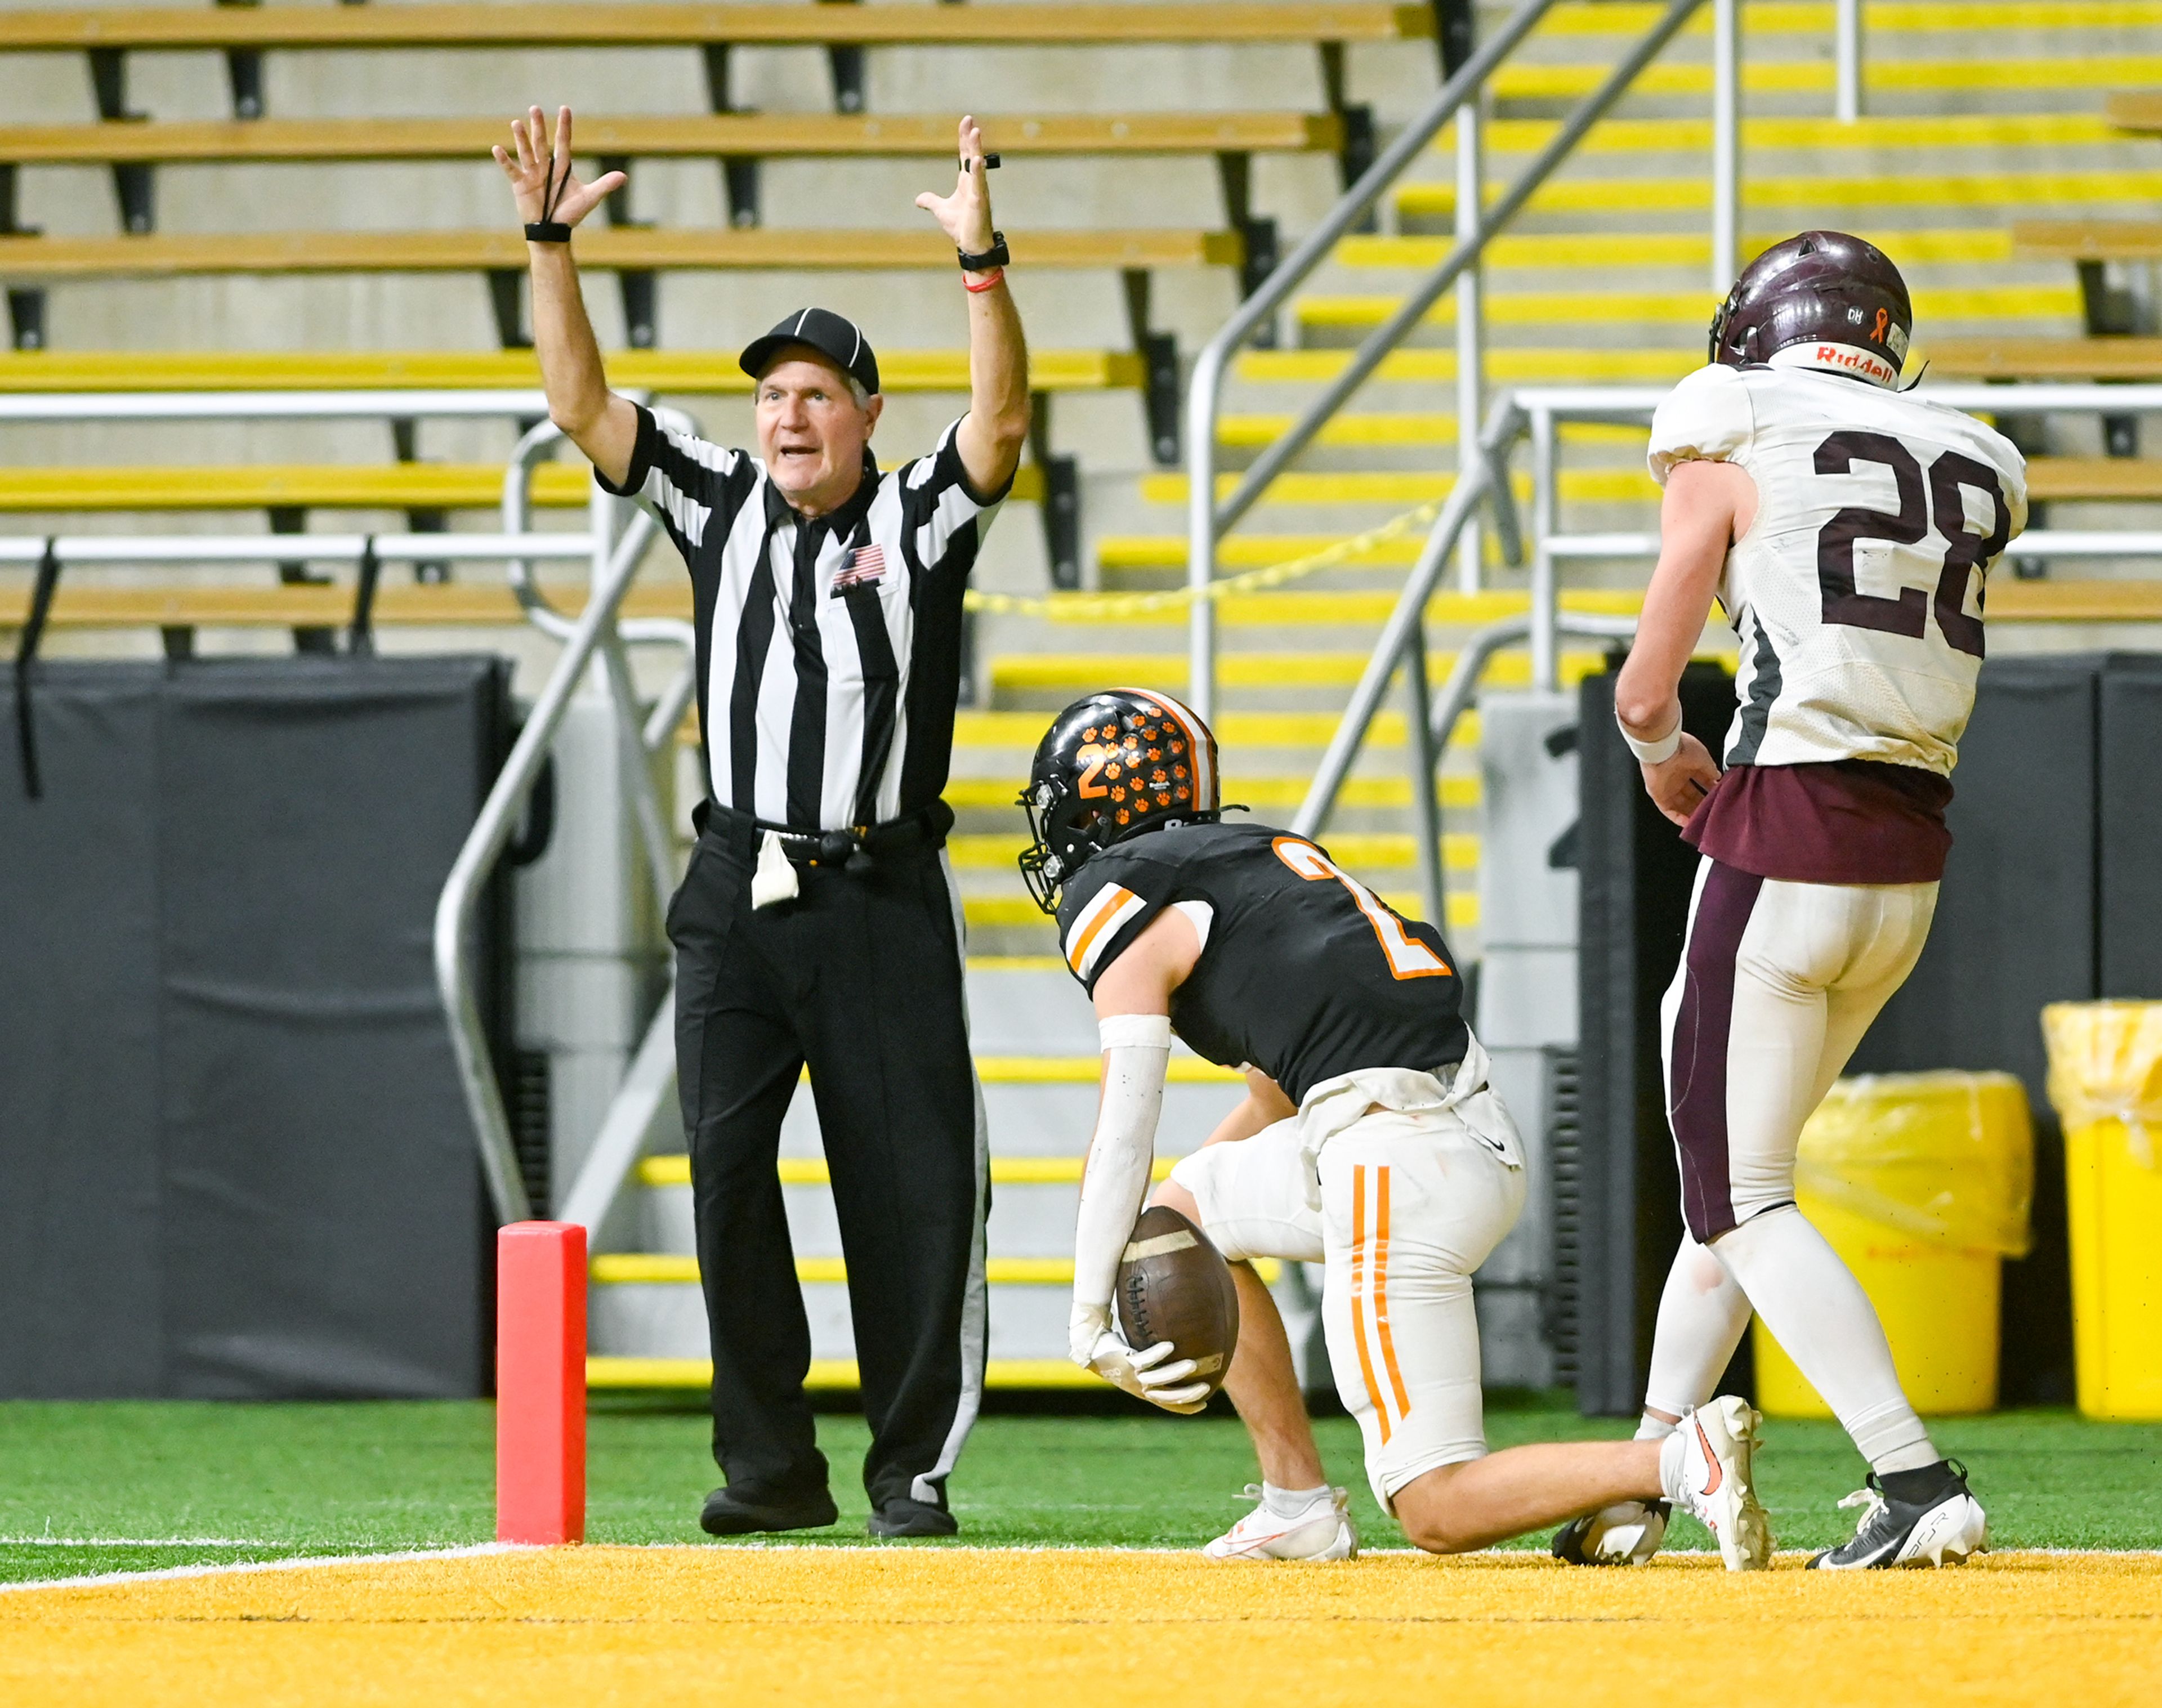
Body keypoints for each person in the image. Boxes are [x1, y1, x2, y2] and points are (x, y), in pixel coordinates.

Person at [495, 107, 1030, 1539]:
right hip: (737, 878)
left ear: (864, 412)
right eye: (771, 395)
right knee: (727, 1167)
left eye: (816, 393)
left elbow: (1001, 427)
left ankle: (908, 1466)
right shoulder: (714, 495)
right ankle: (770, 1465)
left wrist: (983, 268)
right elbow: (584, 407)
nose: (787, 415)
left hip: (879, 889)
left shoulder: (919, 516)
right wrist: (551, 248)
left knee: (906, 1188)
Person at [1020, 687, 1772, 1567]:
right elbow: (1271, 1099)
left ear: (1097, 806)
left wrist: (1085, 1316)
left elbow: (1124, 1122)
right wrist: (1164, 1224)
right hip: (1458, 1128)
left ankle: (1682, 1461)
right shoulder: (1264, 855)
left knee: (1435, 1507)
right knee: (1191, 1207)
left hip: (1391, 1155)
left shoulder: (1122, 891)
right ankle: (1295, 1500)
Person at [1556, 231, 2028, 1571]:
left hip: (1781, 840)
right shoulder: (1973, 452)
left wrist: (1660, 760)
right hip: (1906, 860)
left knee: (1740, 1191)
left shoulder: (1733, 427)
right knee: (1737, 1179)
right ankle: (1644, 1477)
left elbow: (1648, 693)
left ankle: (1911, 1471)